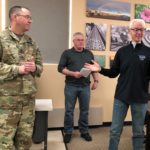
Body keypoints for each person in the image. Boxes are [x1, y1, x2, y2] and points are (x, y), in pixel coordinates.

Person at [84, 19, 150, 150]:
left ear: (144, 32)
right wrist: (100, 69)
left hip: (140, 98)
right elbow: (114, 73)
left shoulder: (148, 52)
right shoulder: (122, 52)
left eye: (141, 30)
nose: (138, 32)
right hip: (121, 97)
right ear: (129, 31)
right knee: (115, 131)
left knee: (138, 133)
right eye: (135, 29)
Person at [0, 6, 43, 149]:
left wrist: (35, 68)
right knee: (4, 142)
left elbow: (39, 66)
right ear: (14, 17)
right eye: (27, 17)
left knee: (24, 140)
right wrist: (17, 69)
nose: (30, 20)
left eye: (30, 17)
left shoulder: (31, 42)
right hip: (7, 101)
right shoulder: (1, 39)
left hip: (28, 100)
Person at [58, 32, 99, 143]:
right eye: (78, 40)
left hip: (85, 86)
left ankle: (84, 131)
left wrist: (96, 80)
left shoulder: (89, 53)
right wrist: (73, 73)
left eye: (82, 40)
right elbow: (60, 68)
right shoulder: (67, 53)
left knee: (85, 110)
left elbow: (94, 68)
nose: (81, 42)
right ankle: (68, 132)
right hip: (71, 86)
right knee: (69, 111)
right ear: (74, 41)